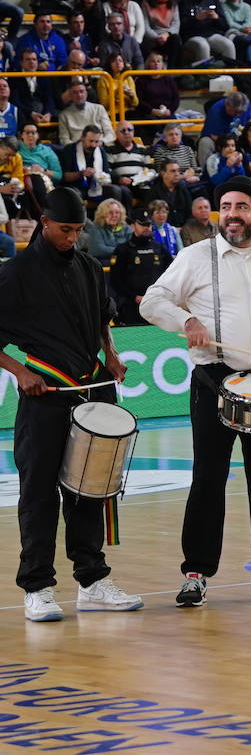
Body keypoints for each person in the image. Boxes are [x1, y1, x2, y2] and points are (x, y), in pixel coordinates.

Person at [140, 176, 251, 606]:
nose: (232, 214)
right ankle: (196, 573)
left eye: (241, 206)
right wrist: (186, 321)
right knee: (207, 480)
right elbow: (152, 300)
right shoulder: (196, 256)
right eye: (225, 206)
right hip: (214, 382)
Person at [0, 187, 142, 621]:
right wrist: (21, 372)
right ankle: (38, 587)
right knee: (39, 493)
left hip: (92, 390)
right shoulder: (15, 272)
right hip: (45, 397)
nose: (72, 238)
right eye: (66, 230)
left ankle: (92, 580)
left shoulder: (87, 265)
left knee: (89, 488)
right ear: (44, 224)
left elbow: (103, 319)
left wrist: (112, 353)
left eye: (79, 230)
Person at [108, 206, 170, 324]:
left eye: (149, 224)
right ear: (132, 226)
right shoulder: (122, 250)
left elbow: (171, 273)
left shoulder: (159, 248)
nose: (147, 228)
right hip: (131, 307)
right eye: (143, 224)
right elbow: (115, 281)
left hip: (157, 305)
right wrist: (134, 297)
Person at [77, 196, 129, 262]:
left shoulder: (126, 228)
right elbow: (98, 250)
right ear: (102, 214)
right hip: (101, 263)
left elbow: (133, 246)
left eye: (117, 212)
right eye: (110, 212)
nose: (114, 215)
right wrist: (121, 250)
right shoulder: (96, 227)